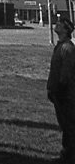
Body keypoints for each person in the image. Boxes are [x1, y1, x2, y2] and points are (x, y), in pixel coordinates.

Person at [47, 15, 75, 163]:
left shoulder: (67, 48)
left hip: (66, 95)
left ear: (66, 30)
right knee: (65, 125)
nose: (56, 25)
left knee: (69, 127)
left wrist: (59, 90)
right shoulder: (61, 46)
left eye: (60, 24)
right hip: (59, 94)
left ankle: (69, 156)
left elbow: (66, 74)